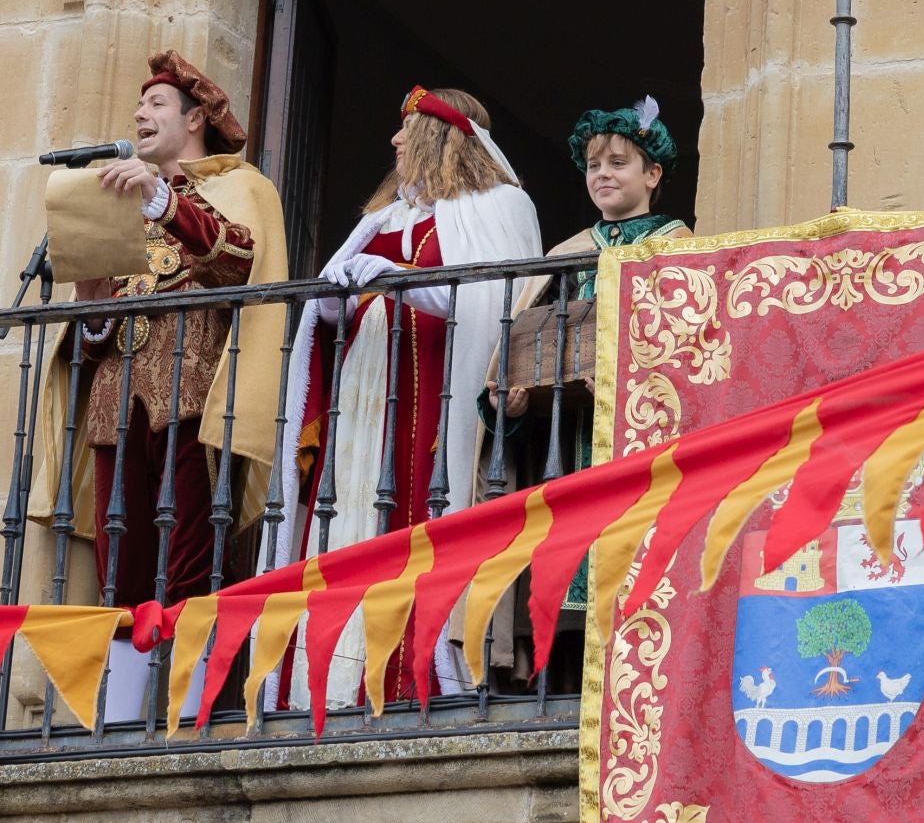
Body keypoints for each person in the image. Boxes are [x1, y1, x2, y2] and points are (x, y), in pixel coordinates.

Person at [272, 87, 541, 708]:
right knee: (349, 524)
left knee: (409, 518)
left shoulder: (500, 206)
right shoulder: (383, 217)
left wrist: (399, 283)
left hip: (430, 398)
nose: (394, 143)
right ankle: (331, 684)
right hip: (364, 395)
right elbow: (333, 319)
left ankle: (406, 680)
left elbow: (491, 303)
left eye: (407, 131)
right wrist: (335, 298)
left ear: (443, 138)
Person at [30, 51, 290, 624]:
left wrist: (164, 201)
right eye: (139, 105)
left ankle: (183, 696)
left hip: (193, 400)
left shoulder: (240, 187)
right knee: (119, 576)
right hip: (114, 409)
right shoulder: (123, 209)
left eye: (156, 103)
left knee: (190, 570)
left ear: (195, 119)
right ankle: (123, 706)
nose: (139, 114)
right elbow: (93, 340)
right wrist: (92, 303)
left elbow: (241, 262)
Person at [472, 97, 691, 686]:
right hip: (564, 450)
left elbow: (698, 357)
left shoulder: (682, 250)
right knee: (560, 590)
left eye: (620, 162)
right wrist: (506, 409)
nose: (604, 174)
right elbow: (515, 355)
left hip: (642, 454)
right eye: (595, 165)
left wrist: (635, 382)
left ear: (653, 174)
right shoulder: (565, 254)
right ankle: (558, 689)